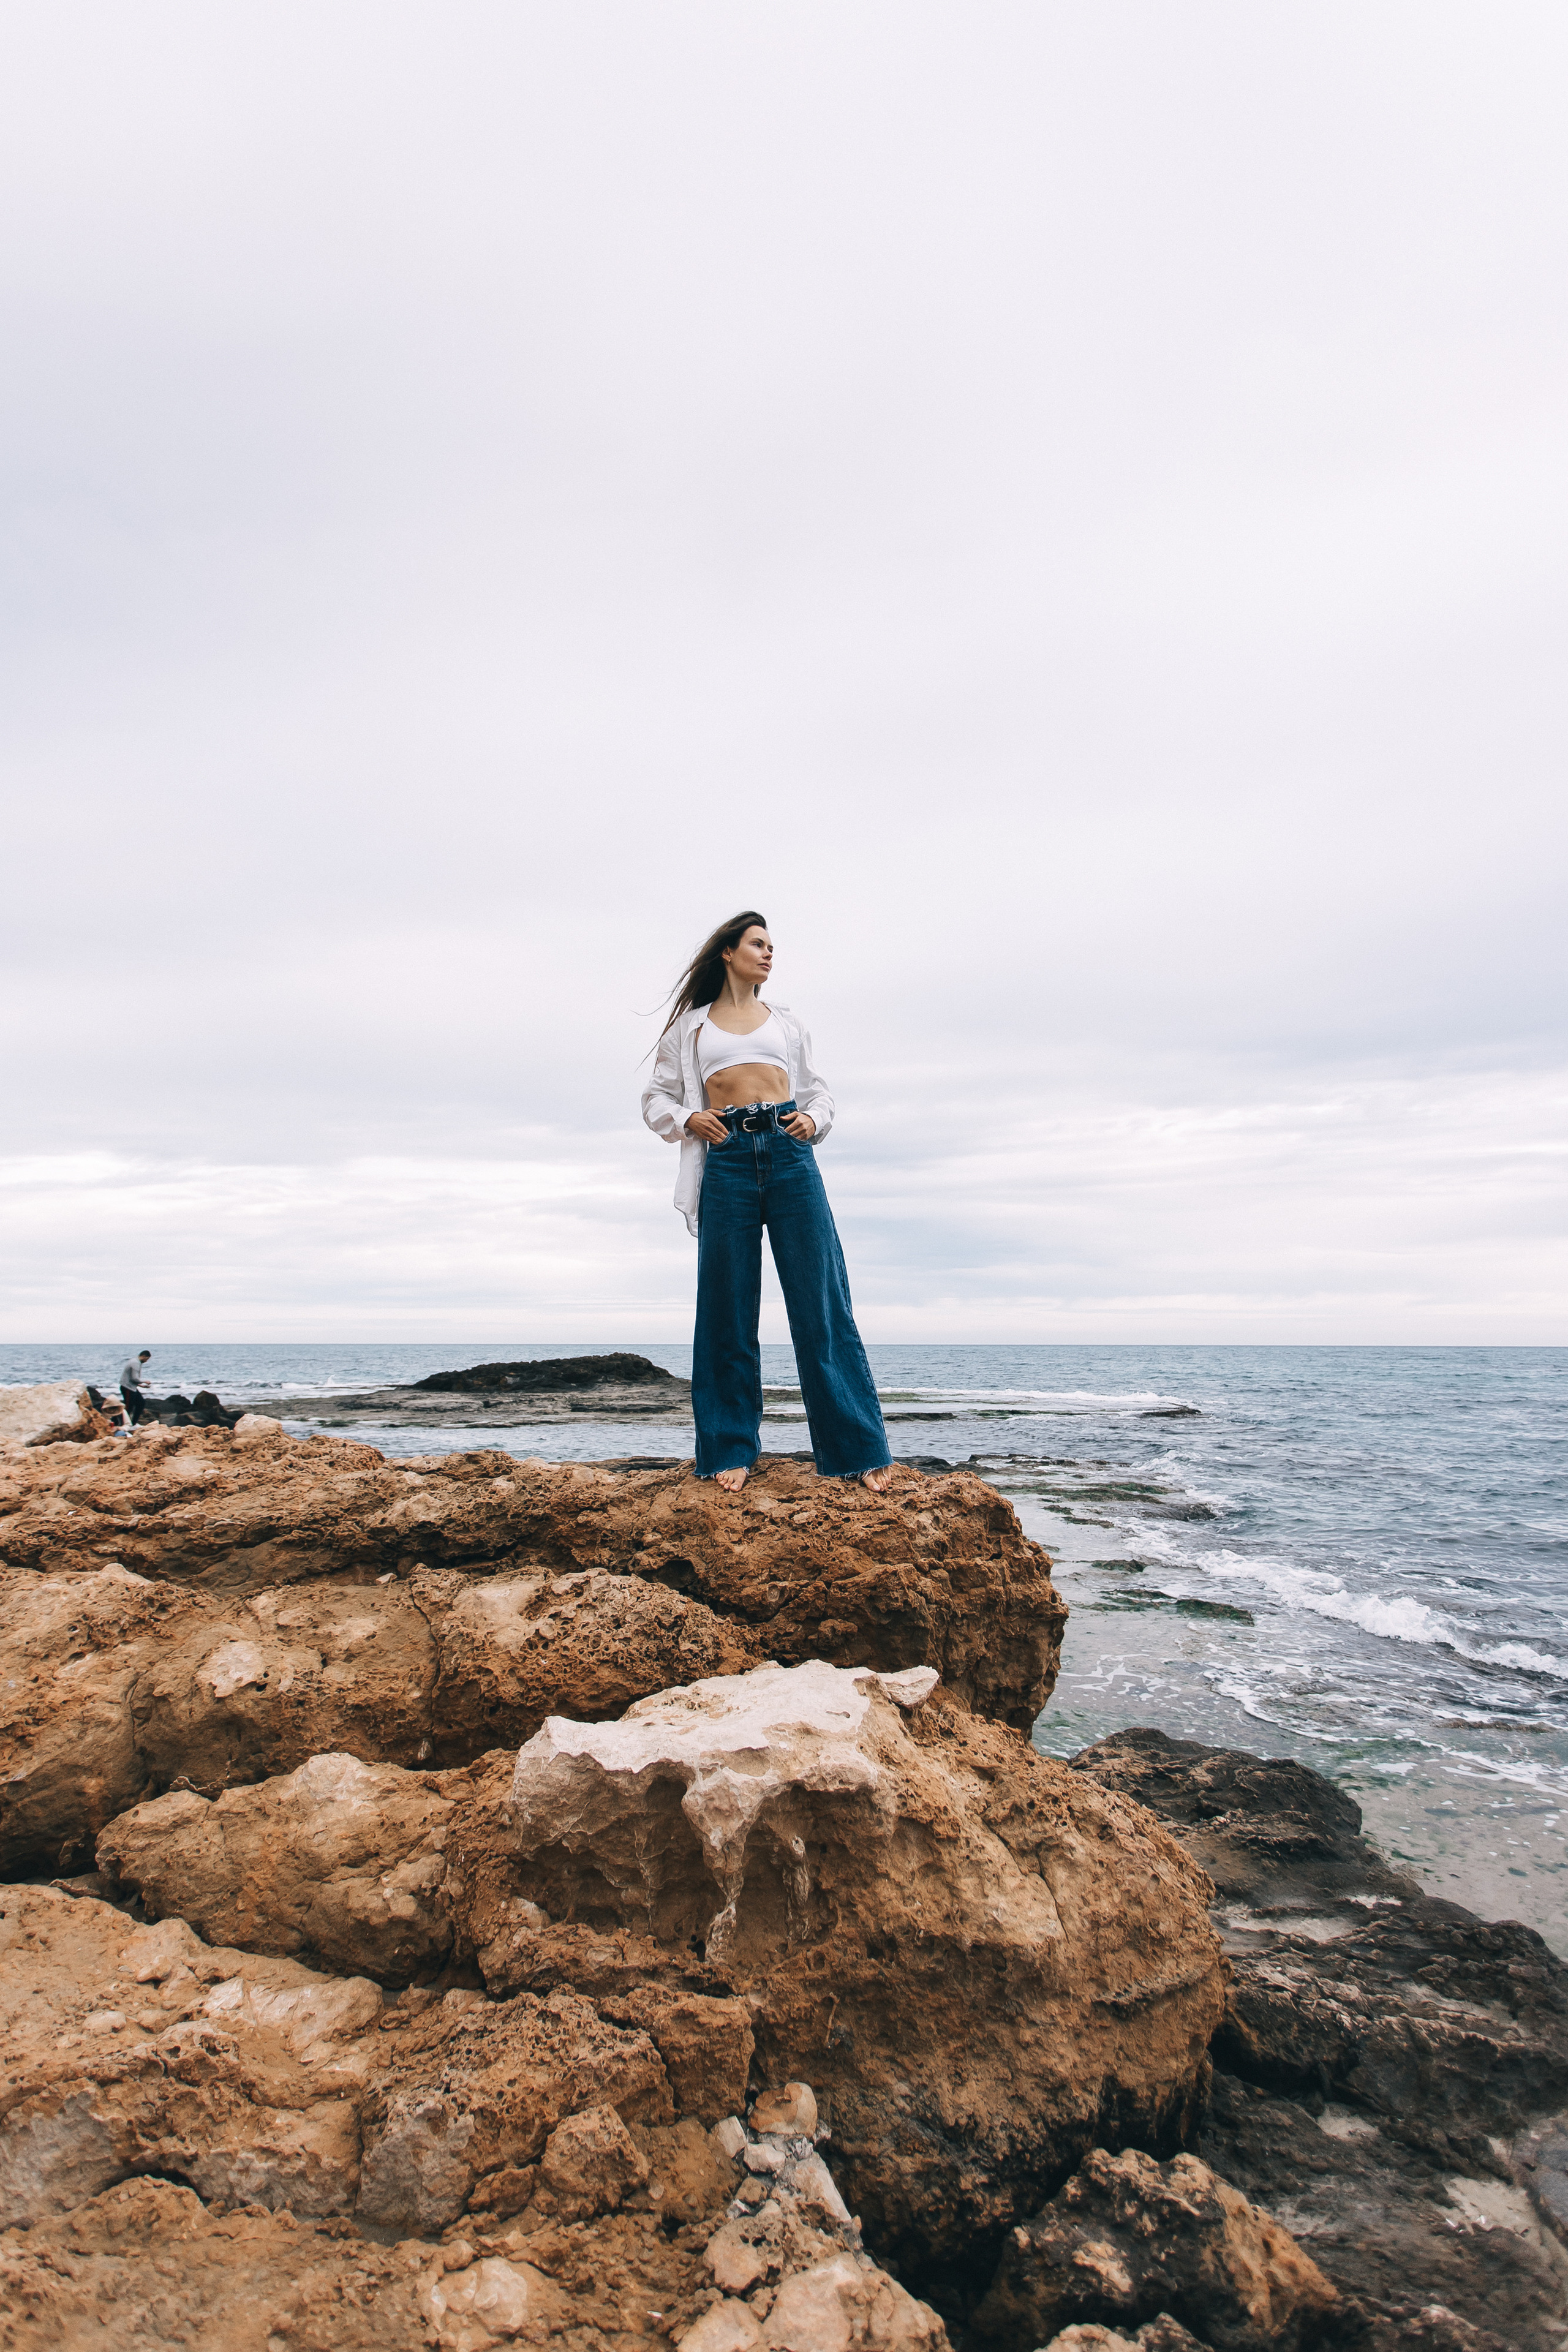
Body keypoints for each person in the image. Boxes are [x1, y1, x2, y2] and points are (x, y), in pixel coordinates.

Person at [642, 911, 893, 1495]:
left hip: (789, 1152)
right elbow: (656, 1097)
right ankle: (730, 1448)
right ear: (728, 952)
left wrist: (813, 1117)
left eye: (773, 946)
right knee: (727, 1306)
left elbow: (818, 1089)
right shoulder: (692, 1029)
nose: (769, 953)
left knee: (821, 1300)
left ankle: (857, 1449)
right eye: (758, 944)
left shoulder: (787, 1024)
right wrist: (688, 1117)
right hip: (726, 1155)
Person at [119, 1351, 152, 1427]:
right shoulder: (135, 1363)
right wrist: (145, 1381)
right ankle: (123, 1425)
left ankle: (134, 1423)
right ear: (144, 1356)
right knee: (128, 1407)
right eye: (146, 1359)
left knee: (141, 1403)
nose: (146, 1361)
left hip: (132, 1388)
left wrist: (141, 1386)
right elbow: (134, 1378)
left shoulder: (135, 1361)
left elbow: (132, 1379)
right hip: (127, 1388)